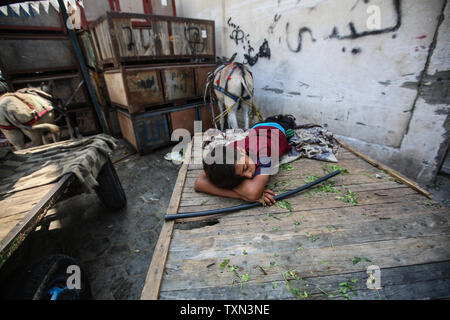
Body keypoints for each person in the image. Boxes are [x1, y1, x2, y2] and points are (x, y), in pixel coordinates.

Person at [194, 115, 296, 206]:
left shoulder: (264, 152)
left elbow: (252, 194)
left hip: (278, 128)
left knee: (287, 120)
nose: (249, 175)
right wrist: (242, 195)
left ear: (240, 150)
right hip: (256, 129)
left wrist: (244, 193)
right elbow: (198, 183)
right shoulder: (229, 151)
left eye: (245, 167)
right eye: (240, 177)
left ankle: (288, 118)